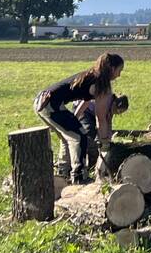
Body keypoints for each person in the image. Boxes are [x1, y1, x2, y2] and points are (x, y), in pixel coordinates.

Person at [34, 53, 124, 184]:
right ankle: (79, 176)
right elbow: (101, 118)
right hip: (50, 104)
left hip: (41, 101)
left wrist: (73, 119)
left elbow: (85, 102)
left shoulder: (92, 76)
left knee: (68, 136)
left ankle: (63, 173)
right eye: (119, 70)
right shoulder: (102, 85)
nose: (119, 75)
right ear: (111, 68)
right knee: (79, 136)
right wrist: (105, 143)